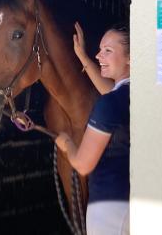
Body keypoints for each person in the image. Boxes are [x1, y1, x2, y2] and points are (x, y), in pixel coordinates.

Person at [56, 22, 130, 235]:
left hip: (110, 211)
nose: (99, 56)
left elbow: (83, 165)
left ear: (131, 58)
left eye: (108, 51)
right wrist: (82, 57)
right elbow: (111, 92)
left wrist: (67, 144)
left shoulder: (108, 105)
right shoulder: (137, 95)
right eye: (100, 50)